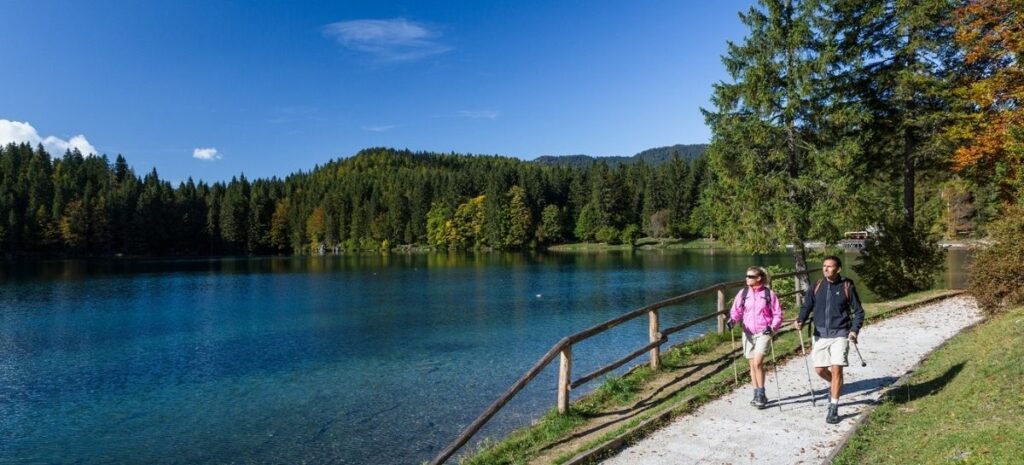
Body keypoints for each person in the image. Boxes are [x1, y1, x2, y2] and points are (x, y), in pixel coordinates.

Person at [795, 255, 865, 424]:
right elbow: (807, 306)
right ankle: (835, 385)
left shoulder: (847, 286)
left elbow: (859, 312)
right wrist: (800, 320)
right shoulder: (817, 285)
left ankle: (833, 407)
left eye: (830, 266)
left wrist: (854, 331)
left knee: (837, 369)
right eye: (824, 266)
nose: (826, 269)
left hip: (840, 333)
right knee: (819, 369)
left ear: (838, 269)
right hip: (820, 334)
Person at [727, 266, 783, 409]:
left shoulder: (768, 294)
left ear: (758, 278)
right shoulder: (743, 293)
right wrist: (732, 320)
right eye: (746, 276)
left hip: (764, 332)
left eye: (750, 277)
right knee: (752, 364)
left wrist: (772, 327)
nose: (747, 278)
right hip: (748, 333)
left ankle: (761, 392)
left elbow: (777, 314)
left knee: (758, 363)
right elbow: (737, 310)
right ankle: (757, 393)